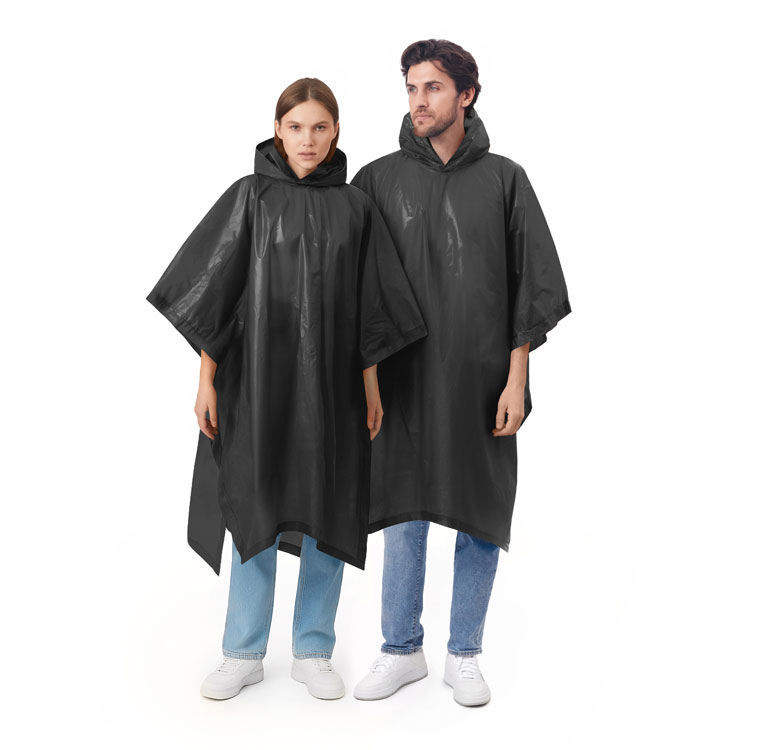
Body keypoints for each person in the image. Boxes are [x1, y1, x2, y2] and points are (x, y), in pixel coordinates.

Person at [146, 78, 426, 700]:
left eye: (320, 127)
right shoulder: (250, 197)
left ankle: (313, 650)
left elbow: (371, 306)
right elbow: (216, 296)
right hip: (258, 385)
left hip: (333, 388)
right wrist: (206, 381)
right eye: (296, 127)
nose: (307, 140)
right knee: (256, 503)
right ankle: (242, 652)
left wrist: (372, 385)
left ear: (336, 132)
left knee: (330, 505)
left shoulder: (355, 208)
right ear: (277, 130)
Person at [350, 40, 571, 706]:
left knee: (480, 513)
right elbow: (351, 286)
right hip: (402, 382)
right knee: (404, 510)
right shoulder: (377, 180)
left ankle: (464, 654)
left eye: (434, 88)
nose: (419, 101)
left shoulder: (505, 180)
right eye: (411, 88)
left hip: (482, 379)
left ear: (466, 95)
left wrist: (516, 380)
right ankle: (401, 650)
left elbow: (531, 284)